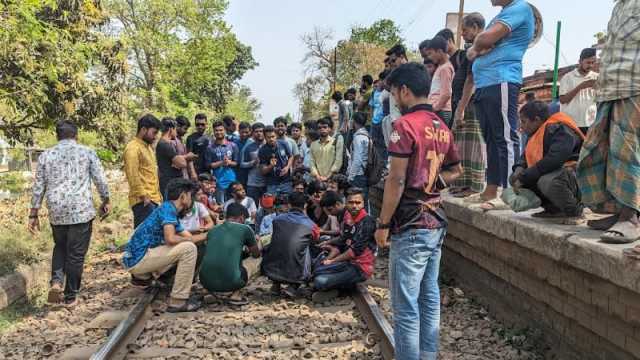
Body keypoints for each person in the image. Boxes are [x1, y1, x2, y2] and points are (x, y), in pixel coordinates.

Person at [374, 62, 463, 360]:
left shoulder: (404, 126)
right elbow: (456, 170)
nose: (395, 101)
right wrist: (431, 181)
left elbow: (396, 179)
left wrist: (383, 223)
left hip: (411, 224)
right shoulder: (440, 126)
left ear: (404, 90)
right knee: (429, 296)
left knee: (406, 305)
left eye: (395, 94)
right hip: (436, 221)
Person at [577, 0, 640, 247]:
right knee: (605, 151)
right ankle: (620, 210)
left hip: (634, 85)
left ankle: (630, 217)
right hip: (611, 86)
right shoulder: (620, 7)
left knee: (629, 151)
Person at [29, 121, 111, 306]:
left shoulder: (46, 155)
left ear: (57, 136)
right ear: (76, 135)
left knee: (60, 246)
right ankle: (70, 296)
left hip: (56, 211)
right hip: (81, 211)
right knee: (76, 254)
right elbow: (100, 179)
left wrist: (33, 214)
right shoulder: (87, 152)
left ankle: (56, 282)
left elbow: (38, 187)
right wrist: (106, 199)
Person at [467, 0, 534, 208]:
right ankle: (491, 188)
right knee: (491, 139)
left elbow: (485, 38)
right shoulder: (501, 15)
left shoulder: (520, 8)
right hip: (485, 83)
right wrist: (479, 45)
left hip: (502, 78)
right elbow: (471, 51)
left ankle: (508, 193)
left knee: (505, 137)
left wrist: (480, 43)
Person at [122, 179, 206, 313]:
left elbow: (188, 237)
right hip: (139, 260)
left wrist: (206, 235)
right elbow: (171, 239)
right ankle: (178, 301)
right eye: (191, 196)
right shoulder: (168, 209)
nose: (192, 200)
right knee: (189, 249)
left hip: (135, 259)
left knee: (191, 244)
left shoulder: (168, 209)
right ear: (183, 196)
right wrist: (207, 235)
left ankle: (145, 279)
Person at [510, 101, 585, 221]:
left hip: (574, 177)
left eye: (524, 121)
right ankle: (553, 209)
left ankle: (573, 210)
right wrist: (518, 171)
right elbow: (525, 158)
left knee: (547, 181)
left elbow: (554, 160)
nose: (521, 126)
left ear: (536, 119)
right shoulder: (536, 134)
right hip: (556, 174)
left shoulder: (560, 128)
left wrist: (524, 177)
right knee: (515, 178)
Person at [313, 188, 376, 302]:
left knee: (320, 281)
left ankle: (340, 289)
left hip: (360, 267)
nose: (354, 206)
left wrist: (332, 261)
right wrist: (329, 246)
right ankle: (343, 285)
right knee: (316, 271)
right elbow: (343, 239)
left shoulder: (367, 222)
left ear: (363, 204)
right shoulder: (349, 219)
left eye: (358, 203)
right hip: (347, 263)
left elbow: (354, 251)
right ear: (346, 203)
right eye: (351, 203)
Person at [450, 13, 488, 197]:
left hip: (474, 103)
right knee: (463, 144)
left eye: (465, 30)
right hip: (466, 102)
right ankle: (463, 183)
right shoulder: (470, 49)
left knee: (474, 145)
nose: (463, 34)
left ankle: (474, 185)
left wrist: (462, 107)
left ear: (475, 27)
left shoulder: (481, 48)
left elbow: (471, 79)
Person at [261, 192, 320, 297]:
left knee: (280, 244)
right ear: (305, 205)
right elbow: (315, 240)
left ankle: (276, 285)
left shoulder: (277, 220)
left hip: (270, 268)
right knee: (306, 247)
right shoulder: (312, 225)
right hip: (295, 270)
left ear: (289, 205)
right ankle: (294, 286)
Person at [199, 203, 260, 302]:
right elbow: (256, 254)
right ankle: (236, 293)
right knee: (256, 261)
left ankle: (213, 293)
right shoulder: (245, 229)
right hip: (233, 282)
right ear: (241, 218)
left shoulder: (212, 230)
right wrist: (255, 243)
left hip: (205, 282)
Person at [123, 114, 163, 228]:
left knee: (153, 238)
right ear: (143, 129)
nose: (155, 137)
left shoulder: (148, 147)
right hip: (144, 201)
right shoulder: (132, 148)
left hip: (154, 200)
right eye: (154, 133)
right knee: (143, 238)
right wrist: (144, 197)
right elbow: (132, 175)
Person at [559, 48, 599, 136]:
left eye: (593, 63)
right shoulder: (568, 77)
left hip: (591, 124)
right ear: (580, 61)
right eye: (588, 63)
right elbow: (562, 100)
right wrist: (581, 86)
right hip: (571, 125)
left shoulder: (597, 77)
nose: (591, 65)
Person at [156, 118, 197, 197]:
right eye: (175, 128)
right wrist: (187, 157)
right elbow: (182, 163)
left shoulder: (166, 143)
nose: (176, 132)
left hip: (172, 182)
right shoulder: (165, 144)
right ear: (171, 129)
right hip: (169, 183)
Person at [205, 120, 239, 204]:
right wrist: (221, 163)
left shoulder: (233, 145)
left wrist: (229, 162)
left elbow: (237, 163)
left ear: (225, 130)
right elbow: (208, 165)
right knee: (221, 205)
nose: (218, 132)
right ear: (213, 131)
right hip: (218, 182)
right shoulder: (210, 148)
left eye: (221, 130)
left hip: (232, 181)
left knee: (233, 204)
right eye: (216, 130)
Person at [424, 36, 454, 128]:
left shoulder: (445, 68)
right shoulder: (441, 67)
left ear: (440, 52)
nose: (429, 57)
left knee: (439, 139)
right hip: (437, 110)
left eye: (430, 53)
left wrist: (435, 108)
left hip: (441, 111)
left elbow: (446, 93)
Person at [259, 125, 294, 194]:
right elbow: (263, 171)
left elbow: (291, 156)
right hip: (272, 184)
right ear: (265, 137)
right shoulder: (262, 150)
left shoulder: (283, 144)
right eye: (268, 137)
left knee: (288, 203)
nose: (271, 139)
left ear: (276, 136)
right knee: (272, 204)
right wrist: (271, 166)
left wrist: (287, 167)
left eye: (273, 136)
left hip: (286, 182)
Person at [309, 117, 344, 182]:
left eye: (325, 127)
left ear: (330, 129)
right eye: (319, 128)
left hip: (332, 180)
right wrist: (317, 176)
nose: (322, 129)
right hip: (317, 180)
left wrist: (328, 177)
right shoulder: (313, 144)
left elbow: (338, 161)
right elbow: (311, 162)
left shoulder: (335, 142)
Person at [241, 122, 266, 203]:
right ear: (253, 133)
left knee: (267, 208)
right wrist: (252, 163)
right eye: (256, 131)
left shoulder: (269, 145)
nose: (259, 133)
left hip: (267, 183)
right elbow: (242, 164)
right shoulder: (249, 147)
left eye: (261, 131)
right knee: (252, 208)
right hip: (252, 184)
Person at [347, 112, 370, 200]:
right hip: (364, 174)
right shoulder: (366, 135)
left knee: (356, 203)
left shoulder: (358, 137)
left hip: (358, 176)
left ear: (354, 121)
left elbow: (357, 159)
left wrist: (351, 177)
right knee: (362, 202)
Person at [174, 115, 197, 180]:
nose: (186, 131)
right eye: (185, 128)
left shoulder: (181, 140)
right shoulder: (172, 141)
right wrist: (187, 156)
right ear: (177, 126)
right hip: (176, 177)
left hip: (184, 175)